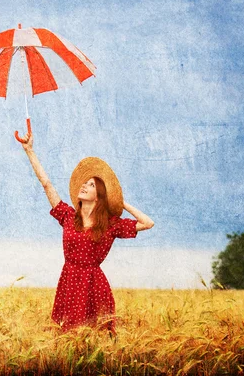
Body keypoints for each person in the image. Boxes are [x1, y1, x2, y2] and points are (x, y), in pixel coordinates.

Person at [18, 129, 154, 333]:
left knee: (95, 337)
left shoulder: (110, 225)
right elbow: (46, 184)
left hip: (94, 287)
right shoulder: (67, 216)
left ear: (99, 196)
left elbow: (147, 223)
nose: (84, 185)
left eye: (91, 185)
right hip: (69, 283)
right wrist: (30, 151)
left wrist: (120, 202)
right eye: (85, 182)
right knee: (66, 339)